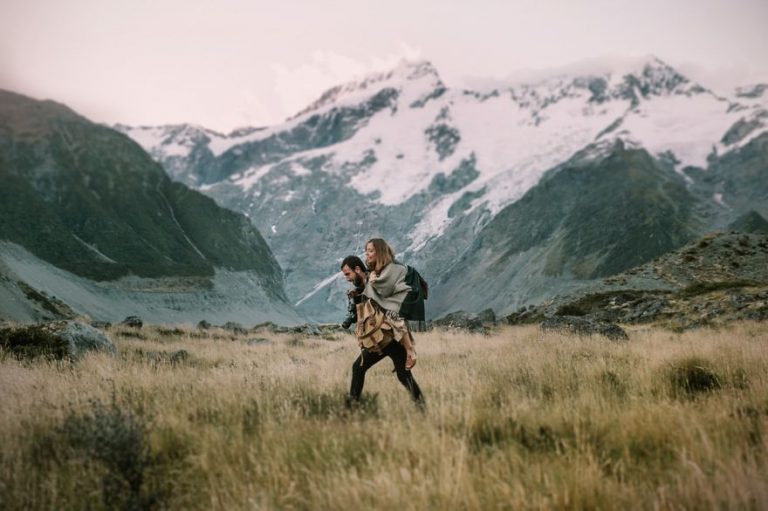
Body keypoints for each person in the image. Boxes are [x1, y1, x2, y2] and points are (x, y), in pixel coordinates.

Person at [345, 238, 424, 408]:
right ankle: (423, 408)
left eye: (371, 251)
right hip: (383, 338)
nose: (367, 254)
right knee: (403, 375)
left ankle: (350, 410)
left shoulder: (384, 278)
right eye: (366, 251)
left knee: (360, 368)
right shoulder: (372, 278)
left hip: (388, 337)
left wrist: (410, 348)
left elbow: (394, 312)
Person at [340, 255, 368, 330]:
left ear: (357, 269)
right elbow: (358, 316)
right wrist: (356, 298)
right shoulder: (360, 289)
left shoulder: (375, 281)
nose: (347, 279)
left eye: (348, 274)